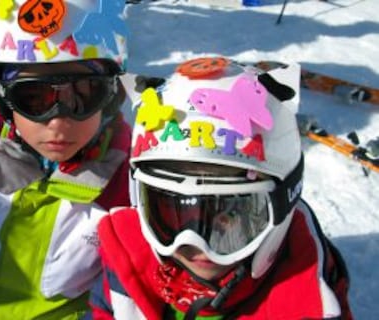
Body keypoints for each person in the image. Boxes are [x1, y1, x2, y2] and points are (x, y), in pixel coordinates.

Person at [88, 56, 353, 319]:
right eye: (171, 209)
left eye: (233, 210)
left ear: (284, 200)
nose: (196, 244)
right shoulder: (127, 260)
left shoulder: (307, 299)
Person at [0, 0, 131, 318]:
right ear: (3, 101)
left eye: (83, 94)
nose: (58, 122)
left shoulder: (127, 181)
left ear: (110, 97)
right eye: (34, 98)